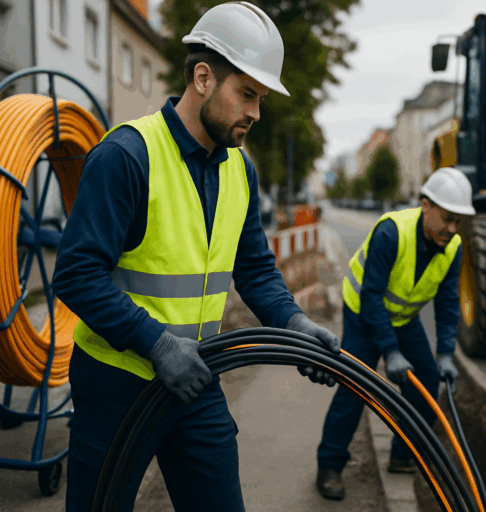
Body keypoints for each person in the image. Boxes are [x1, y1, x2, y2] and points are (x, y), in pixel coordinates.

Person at [52, 3, 339, 510]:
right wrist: (157, 345)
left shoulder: (239, 171)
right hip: (118, 383)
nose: (255, 111)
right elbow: (76, 275)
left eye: (260, 98)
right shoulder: (127, 156)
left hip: (197, 379)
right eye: (246, 93)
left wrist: (292, 322)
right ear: (203, 78)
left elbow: (254, 269)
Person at [315, 167, 476, 500]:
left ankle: (403, 455)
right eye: (447, 218)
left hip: (403, 319)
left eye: (458, 222)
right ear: (425, 205)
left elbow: (447, 303)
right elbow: (372, 295)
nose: (451, 228)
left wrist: (446, 353)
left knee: (428, 385)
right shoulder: (392, 232)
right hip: (363, 314)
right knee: (354, 387)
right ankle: (330, 465)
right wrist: (390, 352)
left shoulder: (453, 246)